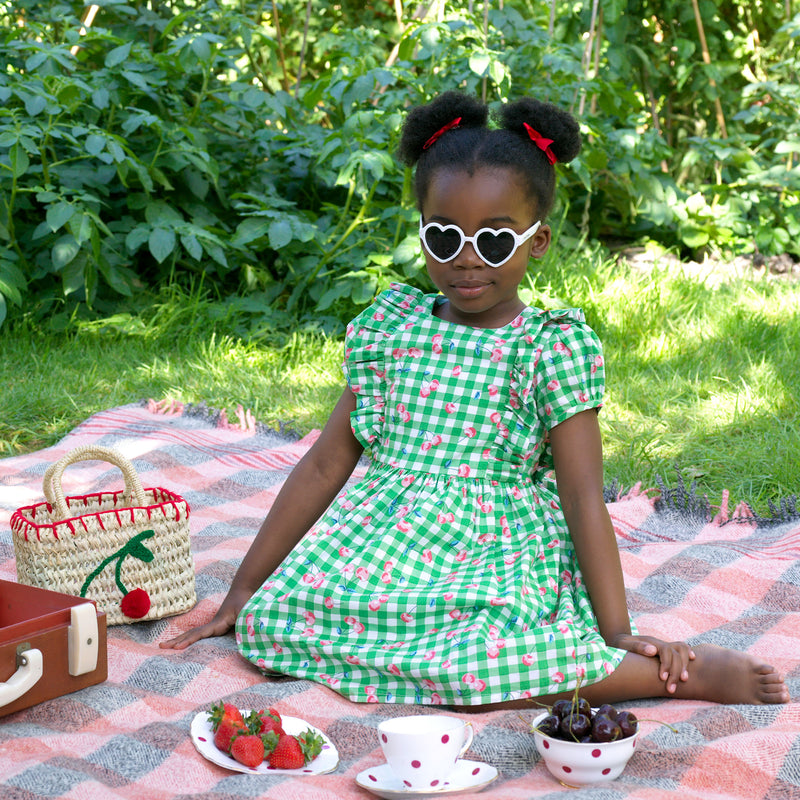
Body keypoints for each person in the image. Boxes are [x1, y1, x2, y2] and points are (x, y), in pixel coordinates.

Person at [162, 91, 789, 710]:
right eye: (444, 238)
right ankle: (439, 659)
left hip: (498, 551)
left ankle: (657, 675)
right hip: (385, 544)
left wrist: (616, 629)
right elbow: (326, 464)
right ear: (422, 233)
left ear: (536, 242)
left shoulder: (550, 348)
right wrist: (244, 588)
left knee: (480, 663)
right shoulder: (392, 328)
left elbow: (580, 495)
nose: (465, 261)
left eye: (493, 242)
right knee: (271, 624)